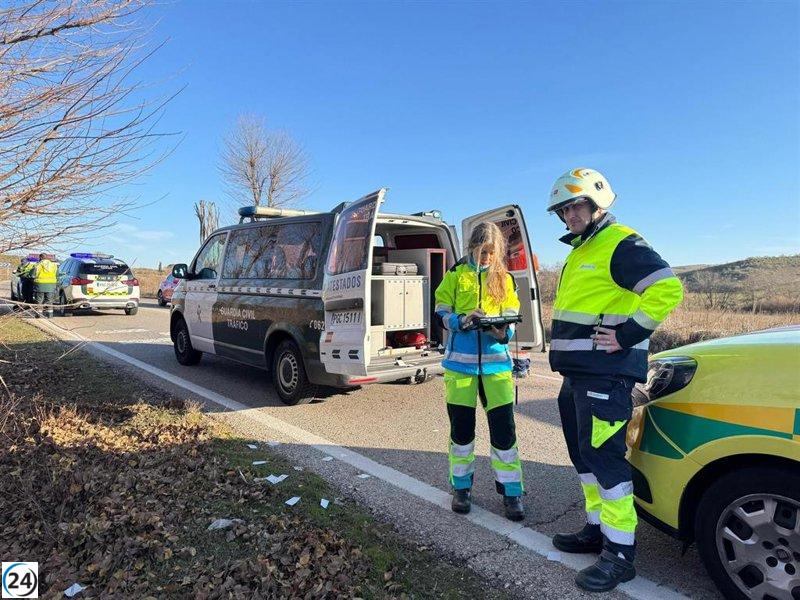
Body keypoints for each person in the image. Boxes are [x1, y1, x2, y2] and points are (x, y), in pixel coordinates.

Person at [546, 168, 683, 592]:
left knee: (605, 461)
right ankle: (597, 529)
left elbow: (668, 289)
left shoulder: (619, 241)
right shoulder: (583, 248)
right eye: (563, 210)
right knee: (584, 457)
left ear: (597, 204)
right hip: (579, 374)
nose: (569, 215)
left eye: (576, 206)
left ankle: (620, 555)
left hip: (606, 375)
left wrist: (625, 336)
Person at [434, 222, 525, 522]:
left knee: (504, 432)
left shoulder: (505, 278)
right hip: (460, 367)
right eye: (482, 251)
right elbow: (441, 311)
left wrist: (502, 332)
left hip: (496, 366)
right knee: (461, 432)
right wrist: (461, 321)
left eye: (492, 252)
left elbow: (511, 315)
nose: (486, 257)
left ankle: (512, 492)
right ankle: (461, 488)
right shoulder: (455, 275)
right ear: (472, 246)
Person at [32, 252, 58, 318]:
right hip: (51, 285)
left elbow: (32, 275)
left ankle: (39, 315)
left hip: (40, 285)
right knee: (49, 300)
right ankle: (50, 315)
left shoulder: (38, 265)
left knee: (39, 300)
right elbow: (57, 275)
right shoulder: (53, 265)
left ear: (40, 258)